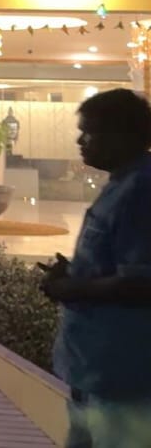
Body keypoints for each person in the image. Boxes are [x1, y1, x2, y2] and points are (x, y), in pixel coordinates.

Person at [41, 88, 151, 447]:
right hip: (94, 372)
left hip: (123, 382)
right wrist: (73, 272)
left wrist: (70, 288)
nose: (80, 141)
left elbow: (140, 283)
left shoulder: (141, 191)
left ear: (122, 135)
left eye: (89, 132)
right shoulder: (122, 185)